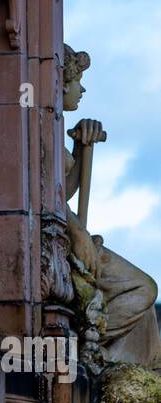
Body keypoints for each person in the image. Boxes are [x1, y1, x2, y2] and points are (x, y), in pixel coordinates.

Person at [63, 44, 161, 368]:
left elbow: (61, 188)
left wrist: (80, 148)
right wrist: (75, 228)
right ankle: (93, 340)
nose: (84, 88)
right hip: (61, 237)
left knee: (146, 308)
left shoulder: (46, 119)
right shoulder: (33, 118)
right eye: (78, 80)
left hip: (67, 232)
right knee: (144, 288)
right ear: (62, 83)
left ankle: (109, 353)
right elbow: (44, 194)